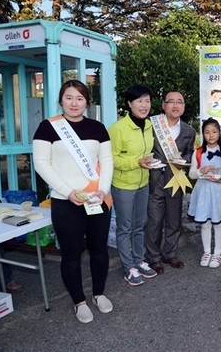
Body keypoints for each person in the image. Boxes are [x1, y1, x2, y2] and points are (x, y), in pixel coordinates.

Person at [33, 80, 114, 323]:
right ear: (61, 100)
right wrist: (68, 191)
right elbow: (41, 163)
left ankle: (99, 294)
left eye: (79, 98)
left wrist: (102, 189)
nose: (74, 103)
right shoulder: (48, 127)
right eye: (69, 97)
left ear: (87, 102)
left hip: (97, 199)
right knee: (71, 254)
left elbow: (107, 160)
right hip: (65, 201)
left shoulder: (98, 128)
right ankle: (79, 301)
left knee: (99, 250)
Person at [109, 84, 158, 286]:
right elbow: (110, 159)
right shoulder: (117, 128)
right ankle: (127, 266)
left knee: (139, 225)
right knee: (125, 227)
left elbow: (146, 154)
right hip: (123, 185)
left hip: (142, 183)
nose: (144, 105)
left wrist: (148, 162)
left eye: (147, 101)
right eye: (139, 101)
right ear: (129, 104)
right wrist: (135, 163)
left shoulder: (148, 125)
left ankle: (139, 261)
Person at [145, 91, 196, 274]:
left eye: (179, 102)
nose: (175, 106)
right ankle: (153, 257)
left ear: (183, 106)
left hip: (176, 179)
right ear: (164, 105)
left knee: (174, 219)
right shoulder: (151, 124)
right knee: (154, 220)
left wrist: (184, 158)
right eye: (171, 102)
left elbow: (191, 153)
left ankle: (170, 253)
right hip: (154, 179)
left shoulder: (189, 131)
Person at [188, 118, 221, 268]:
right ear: (203, 134)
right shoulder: (198, 152)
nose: (211, 135)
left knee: (218, 223)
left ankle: (217, 253)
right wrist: (201, 170)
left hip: (219, 191)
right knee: (205, 224)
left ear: (219, 133)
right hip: (203, 191)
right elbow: (192, 174)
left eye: (214, 132)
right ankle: (206, 251)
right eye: (207, 132)